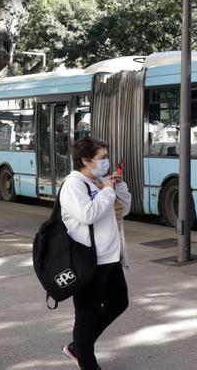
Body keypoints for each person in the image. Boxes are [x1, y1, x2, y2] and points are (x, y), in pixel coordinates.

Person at [59, 137, 132, 370]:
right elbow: (88, 214)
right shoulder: (73, 185)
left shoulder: (99, 182)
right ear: (86, 160)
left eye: (107, 157)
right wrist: (108, 192)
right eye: (102, 157)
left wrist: (117, 187)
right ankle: (86, 360)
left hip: (110, 258)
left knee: (119, 302)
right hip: (88, 261)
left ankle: (77, 347)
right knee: (85, 318)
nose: (106, 162)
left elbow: (125, 210)